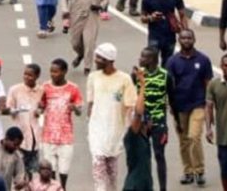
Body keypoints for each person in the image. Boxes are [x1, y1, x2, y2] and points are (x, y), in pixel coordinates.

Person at [87, 42, 137, 190]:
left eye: (99, 58)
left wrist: (127, 131)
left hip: (116, 131)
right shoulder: (93, 77)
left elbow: (130, 107)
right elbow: (91, 103)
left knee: (112, 171)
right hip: (97, 131)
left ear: (109, 60)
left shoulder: (124, 79)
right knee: (98, 167)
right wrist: (90, 123)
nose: (95, 60)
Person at [167, 28, 213, 185]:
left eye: (189, 38)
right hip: (179, 106)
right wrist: (170, 106)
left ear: (194, 40)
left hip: (198, 104)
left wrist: (209, 107)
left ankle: (199, 171)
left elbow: (208, 84)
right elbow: (169, 86)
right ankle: (188, 171)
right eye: (183, 38)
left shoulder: (203, 60)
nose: (186, 40)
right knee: (183, 140)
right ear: (179, 40)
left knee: (194, 137)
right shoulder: (172, 61)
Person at [37, 58, 83, 189]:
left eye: (56, 72)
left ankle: (62, 187)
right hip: (48, 135)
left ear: (64, 72)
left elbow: (79, 111)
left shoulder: (73, 89)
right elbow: (40, 108)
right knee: (49, 170)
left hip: (66, 136)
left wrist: (74, 108)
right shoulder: (45, 87)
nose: (53, 74)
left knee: (64, 170)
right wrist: (39, 107)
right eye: (51, 71)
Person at [136, 45, 171, 191]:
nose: (140, 59)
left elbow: (172, 97)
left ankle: (163, 188)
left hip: (159, 122)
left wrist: (173, 121)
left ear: (152, 59)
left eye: (144, 56)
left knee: (159, 155)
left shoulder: (165, 75)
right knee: (143, 157)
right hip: (142, 122)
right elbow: (134, 99)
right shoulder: (138, 75)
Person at [63, 0, 107, 72]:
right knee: (75, 43)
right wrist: (65, 10)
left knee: (89, 42)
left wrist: (100, 6)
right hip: (76, 14)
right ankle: (80, 54)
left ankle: (87, 67)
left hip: (92, 15)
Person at [142, 0, 187, 65]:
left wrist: (185, 33)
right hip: (154, 37)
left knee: (168, 63)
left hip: (170, 37)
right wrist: (151, 18)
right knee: (151, 62)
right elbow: (143, 18)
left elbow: (182, 15)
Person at [204, 53, 227, 186]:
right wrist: (208, 129)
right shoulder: (214, 84)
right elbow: (208, 106)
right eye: (225, 65)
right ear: (221, 66)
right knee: (225, 170)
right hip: (223, 137)